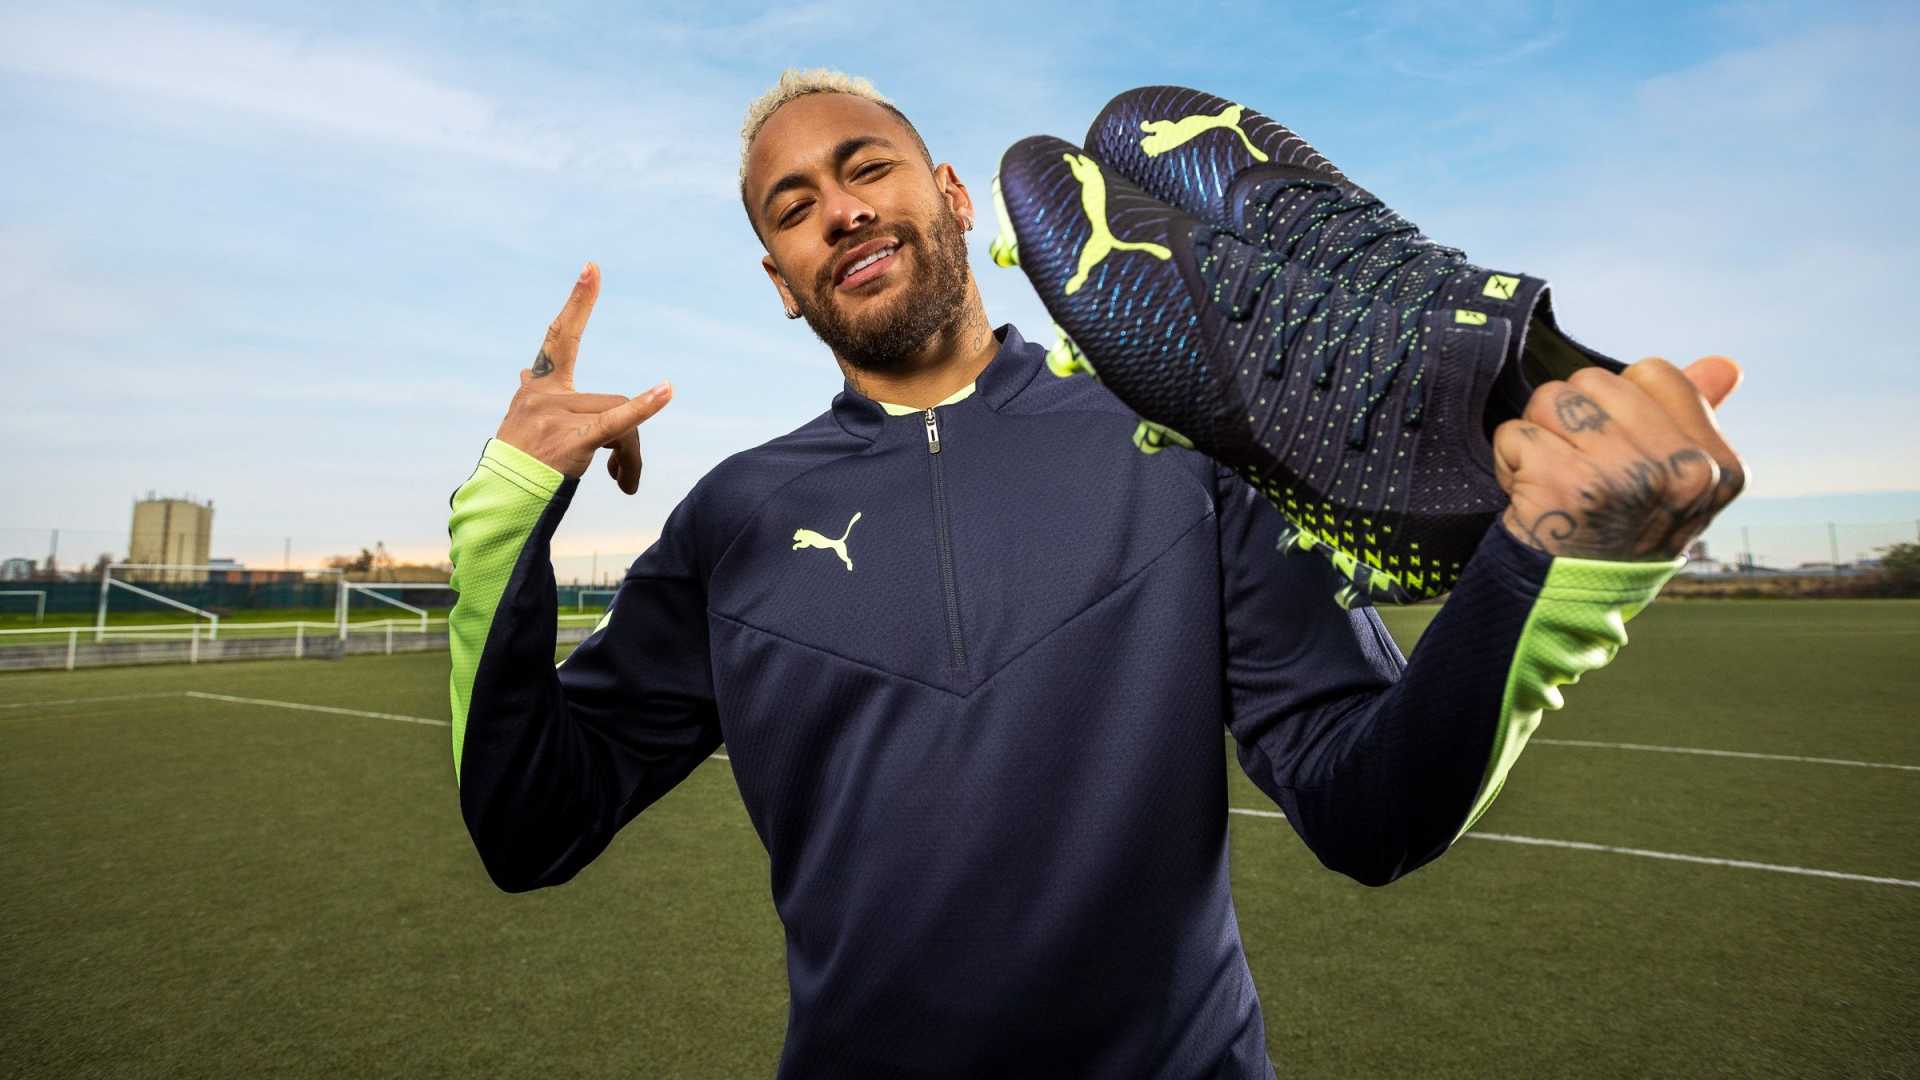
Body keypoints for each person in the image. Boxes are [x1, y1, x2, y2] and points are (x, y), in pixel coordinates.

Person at [445, 69, 1745, 1079]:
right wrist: (508, 508)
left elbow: (1372, 808)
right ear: (781, 282)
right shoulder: (734, 516)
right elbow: (530, 825)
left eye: (865, 168)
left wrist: (1550, 570)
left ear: (953, 195)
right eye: (792, 209)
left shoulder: (1182, 437)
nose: (838, 210)